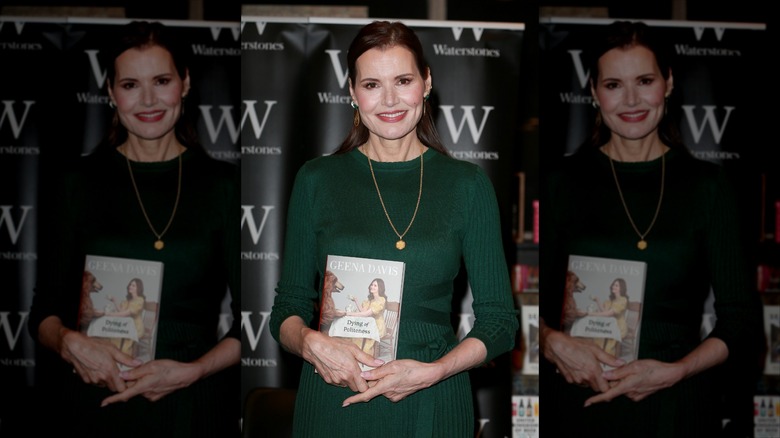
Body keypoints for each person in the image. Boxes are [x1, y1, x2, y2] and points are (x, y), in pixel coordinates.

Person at [270, 20, 518, 436]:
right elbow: (287, 308)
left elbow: (500, 322)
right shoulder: (316, 180)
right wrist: (311, 343)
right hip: (335, 398)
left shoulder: (467, 185)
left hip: (431, 400)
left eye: (403, 80)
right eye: (371, 84)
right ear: (352, 91)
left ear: (426, 82)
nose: (389, 99)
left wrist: (435, 371)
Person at [539, 21, 761, 436]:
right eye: (614, 84)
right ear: (593, 90)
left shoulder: (708, 187)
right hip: (579, 403)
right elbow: (525, 311)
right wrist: (551, 342)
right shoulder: (560, 183)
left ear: (669, 82)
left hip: (676, 407)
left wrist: (675, 372)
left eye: (645, 80)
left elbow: (741, 322)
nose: (631, 100)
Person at [28, 21, 240, 437]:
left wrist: (193, 372)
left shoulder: (223, 186)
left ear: (185, 82)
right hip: (92, 402)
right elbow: (43, 313)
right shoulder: (76, 183)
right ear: (110, 91)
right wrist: (69, 343)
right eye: (130, 84)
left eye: (161, 80)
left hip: (187, 406)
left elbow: (251, 320)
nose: (147, 100)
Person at [587, 278, 628, 357]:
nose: (613, 286)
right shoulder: (611, 301)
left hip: (618, 326)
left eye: (616, 285)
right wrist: (598, 301)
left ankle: (606, 356)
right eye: (613, 284)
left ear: (621, 288)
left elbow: (608, 314)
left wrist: (590, 313)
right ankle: (598, 354)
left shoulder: (623, 300)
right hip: (609, 324)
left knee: (607, 342)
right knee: (598, 333)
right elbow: (604, 312)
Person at [345, 278, 388, 356]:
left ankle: (363, 355)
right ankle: (355, 353)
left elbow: (366, 314)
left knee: (364, 337)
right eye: (372, 284)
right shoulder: (370, 300)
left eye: (375, 285)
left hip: (377, 326)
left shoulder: (381, 300)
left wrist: (349, 313)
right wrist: (356, 301)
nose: (372, 286)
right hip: (369, 324)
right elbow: (363, 312)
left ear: (380, 288)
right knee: (356, 332)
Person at [105, 278, 147, 356]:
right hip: (126, 325)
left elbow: (126, 314)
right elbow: (121, 311)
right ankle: (114, 354)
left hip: (135, 328)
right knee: (114, 335)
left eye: (133, 285)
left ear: (139, 288)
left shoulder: (139, 300)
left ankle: (123, 356)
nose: (130, 286)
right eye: (130, 285)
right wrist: (115, 301)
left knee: (123, 344)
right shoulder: (128, 301)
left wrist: (108, 314)